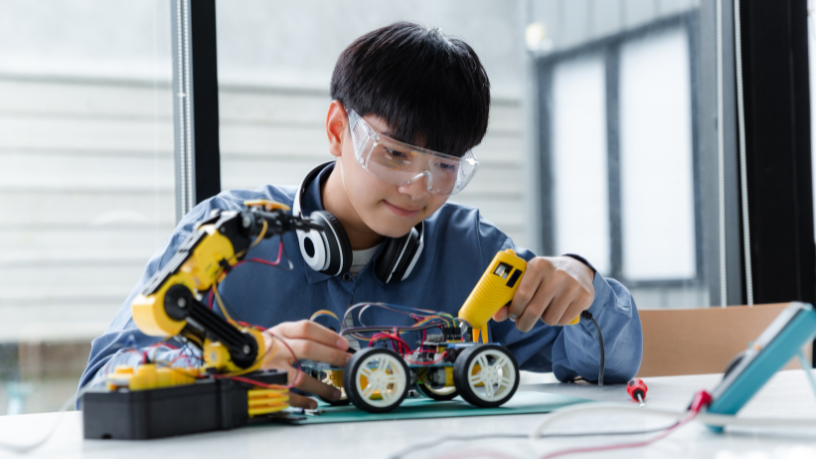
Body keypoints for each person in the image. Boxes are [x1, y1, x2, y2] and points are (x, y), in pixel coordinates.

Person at [79, 22, 642, 409]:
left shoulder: (472, 251)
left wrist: (585, 284)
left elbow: (607, 363)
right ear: (335, 130)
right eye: (394, 153)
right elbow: (105, 382)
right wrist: (234, 363)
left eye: (445, 165)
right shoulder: (229, 234)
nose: (419, 187)